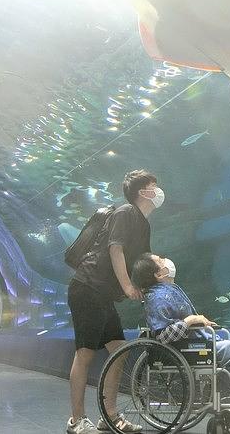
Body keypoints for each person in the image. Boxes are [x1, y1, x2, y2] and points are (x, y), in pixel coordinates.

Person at [66, 170, 165, 434]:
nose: (158, 190)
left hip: (103, 295)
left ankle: (109, 417)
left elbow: (143, 262)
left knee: (119, 349)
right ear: (142, 192)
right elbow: (115, 249)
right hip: (87, 287)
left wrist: (157, 282)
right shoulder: (125, 212)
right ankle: (76, 420)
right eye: (154, 186)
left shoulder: (143, 224)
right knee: (85, 353)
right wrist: (127, 287)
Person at [131, 252, 230, 419]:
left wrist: (199, 323)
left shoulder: (165, 291)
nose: (165, 260)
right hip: (184, 350)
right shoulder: (158, 298)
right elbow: (162, 336)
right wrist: (190, 321)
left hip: (191, 345)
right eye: (160, 261)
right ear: (158, 274)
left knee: (229, 347)